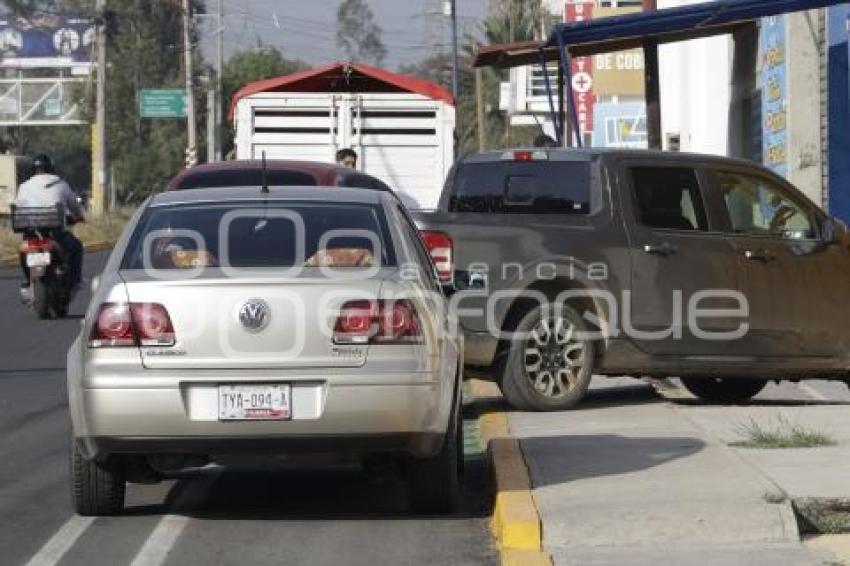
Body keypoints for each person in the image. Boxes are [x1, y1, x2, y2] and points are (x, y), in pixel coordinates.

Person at [14, 154, 85, 289]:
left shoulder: (24, 186)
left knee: (23, 251)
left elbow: (19, 207)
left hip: (31, 234)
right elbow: (74, 206)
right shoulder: (61, 184)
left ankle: (28, 280)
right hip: (55, 233)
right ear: (51, 168)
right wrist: (78, 216)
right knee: (77, 247)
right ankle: (76, 281)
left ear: (33, 170)